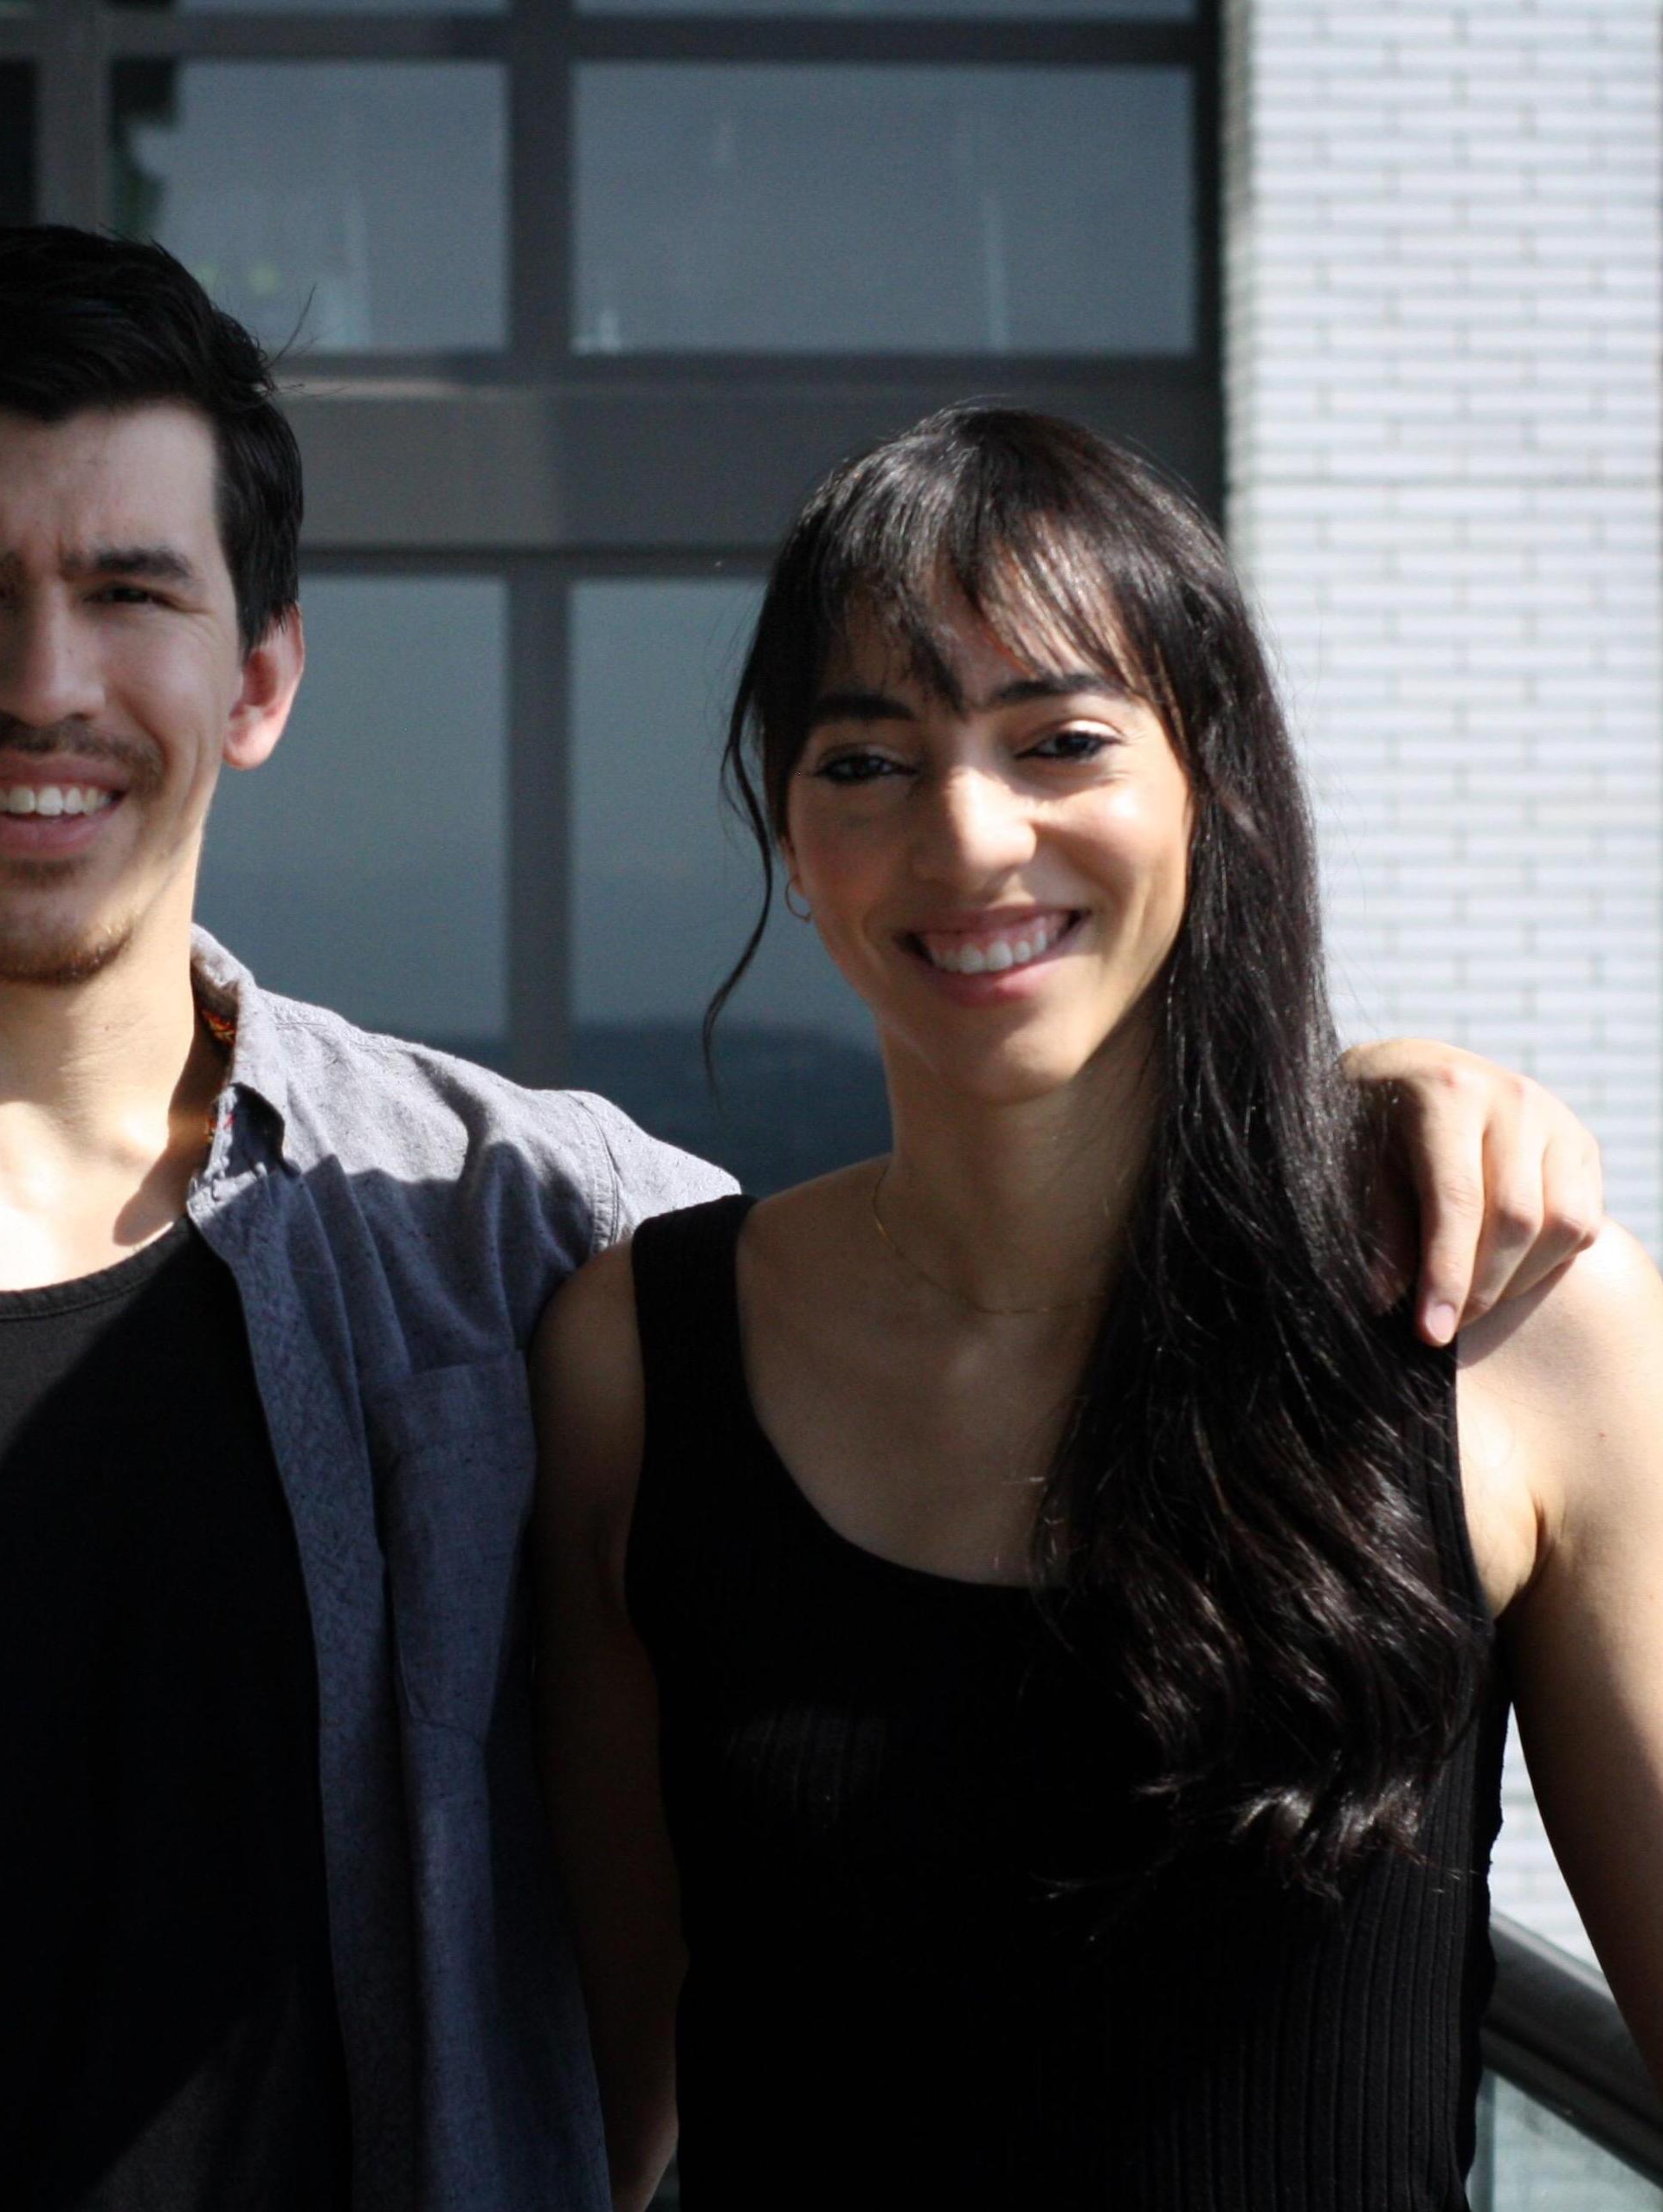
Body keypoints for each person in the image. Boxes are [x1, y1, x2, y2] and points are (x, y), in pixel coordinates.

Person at [0, 237, 1605, 2212]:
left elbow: (1017, 1229)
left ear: (261, 679)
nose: (47, 680)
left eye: (131, 591)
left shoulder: (513, 1237)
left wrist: (1356, 1105)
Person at [530, 405, 1663, 2210]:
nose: (971, 838)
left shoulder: (1514, 1326)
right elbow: (585, 2109)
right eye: (866, 762)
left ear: (1207, 780)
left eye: (1059, 740)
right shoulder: (633, 1365)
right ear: (791, 837)